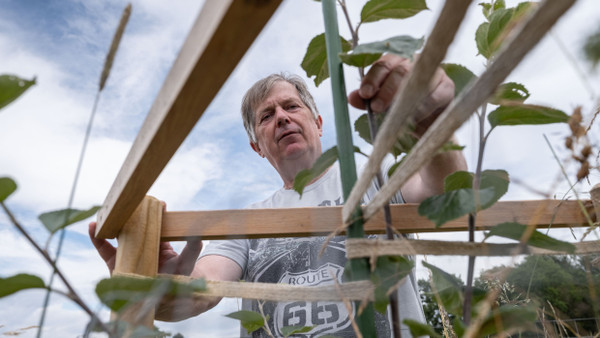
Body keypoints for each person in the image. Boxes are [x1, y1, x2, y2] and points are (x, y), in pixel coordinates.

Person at [89, 54, 467, 337]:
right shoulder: (247, 222)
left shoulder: (372, 178)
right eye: (266, 116)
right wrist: (155, 291)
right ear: (257, 147)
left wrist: (433, 123)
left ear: (317, 123)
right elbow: (202, 291)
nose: (282, 118)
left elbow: (447, 195)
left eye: (291, 106)